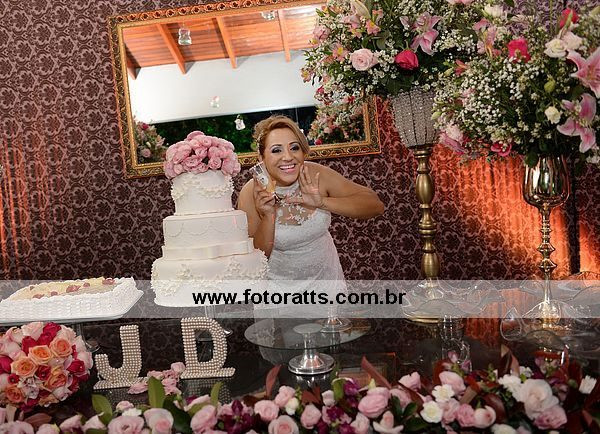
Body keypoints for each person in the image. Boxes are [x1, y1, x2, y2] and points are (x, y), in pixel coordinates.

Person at [237, 115, 384, 284]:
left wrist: (322, 202)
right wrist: (268, 216)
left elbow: (376, 205)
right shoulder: (251, 192)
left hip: (328, 285)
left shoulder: (316, 175)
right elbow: (255, 261)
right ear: (261, 157)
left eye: (294, 147)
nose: (288, 157)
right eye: (276, 150)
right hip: (278, 293)